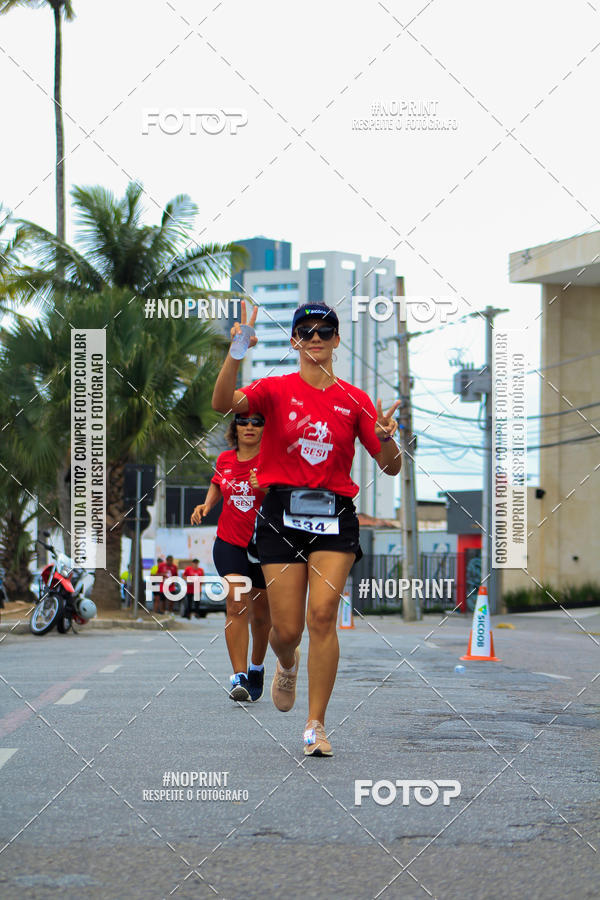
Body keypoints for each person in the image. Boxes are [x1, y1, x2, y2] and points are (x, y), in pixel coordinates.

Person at [212, 300, 401, 756]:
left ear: (337, 340)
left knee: (322, 615)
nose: (316, 338)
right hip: (281, 517)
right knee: (287, 630)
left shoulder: (355, 399)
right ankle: (286, 663)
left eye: (325, 331)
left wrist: (391, 437)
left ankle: (315, 725)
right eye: (307, 332)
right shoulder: (274, 390)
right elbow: (222, 403)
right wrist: (238, 347)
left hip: (335, 518)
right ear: (295, 340)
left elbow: (390, 468)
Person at [190, 413, 271, 702]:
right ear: (234, 427)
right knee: (237, 603)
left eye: (257, 421)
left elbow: (285, 495)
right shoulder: (225, 459)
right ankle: (239, 677)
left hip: (266, 545)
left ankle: (257, 667)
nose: (250, 426)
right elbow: (217, 482)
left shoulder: (273, 458)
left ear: (265, 428)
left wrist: (264, 487)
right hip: (229, 542)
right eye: (243, 420)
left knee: (262, 616)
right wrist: (207, 504)